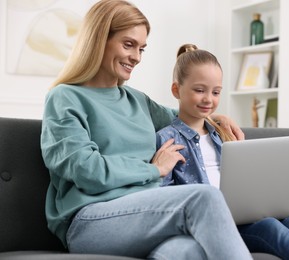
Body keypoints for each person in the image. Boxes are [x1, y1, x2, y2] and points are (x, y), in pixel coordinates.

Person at [40, 1, 253, 259]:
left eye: (141, 48)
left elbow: (183, 116)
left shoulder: (137, 101)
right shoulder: (65, 97)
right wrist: (154, 170)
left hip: (146, 216)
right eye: (128, 44)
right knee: (203, 198)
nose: (137, 57)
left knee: (187, 251)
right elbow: (86, 170)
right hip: (91, 220)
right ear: (98, 39)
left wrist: (216, 118)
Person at [156, 43, 289, 260]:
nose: (208, 99)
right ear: (176, 90)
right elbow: (164, 200)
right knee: (270, 228)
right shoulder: (167, 139)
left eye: (216, 92)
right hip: (215, 223)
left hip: (245, 214)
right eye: (199, 90)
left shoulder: (220, 133)